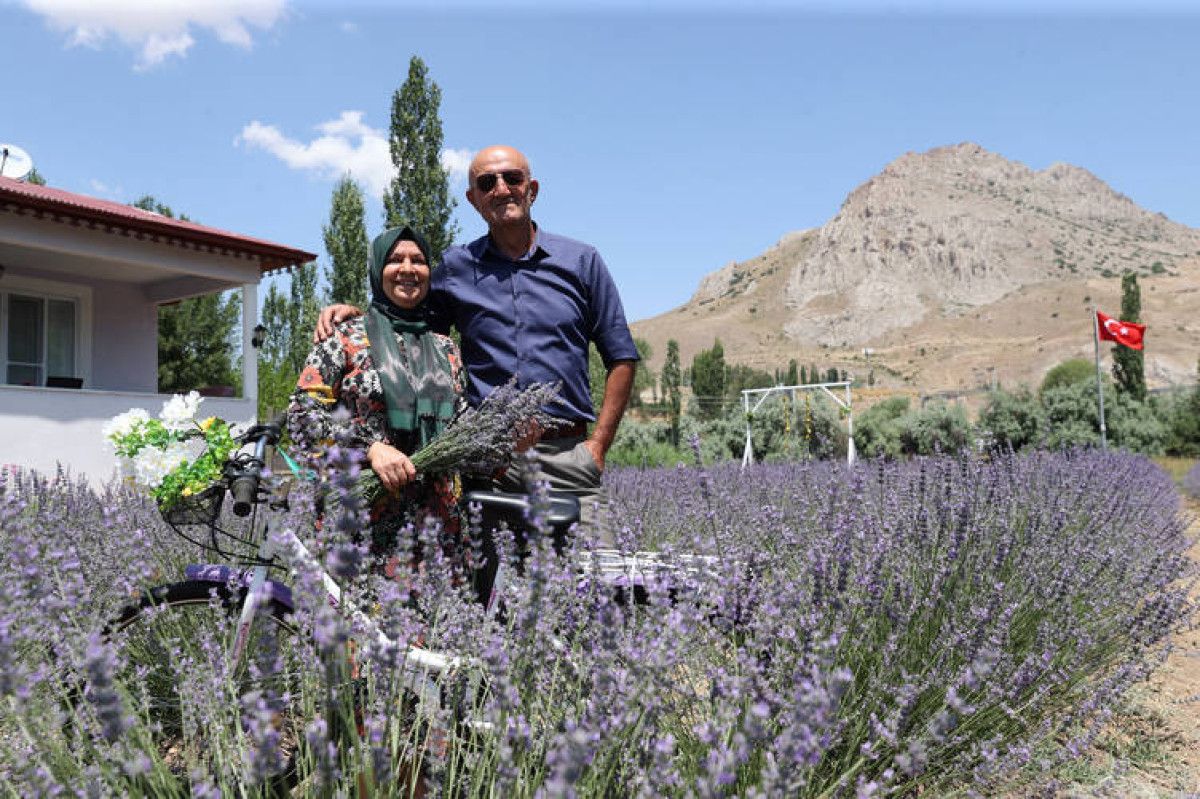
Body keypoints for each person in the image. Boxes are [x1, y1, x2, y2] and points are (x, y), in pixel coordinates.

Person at [316, 145, 639, 541]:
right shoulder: (456, 267)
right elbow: (407, 319)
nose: (501, 189)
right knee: (486, 593)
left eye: (512, 179)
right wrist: (357, 314)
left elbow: (621, 357)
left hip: (568, 457)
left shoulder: (581, 262)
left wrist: (598, 447)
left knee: (593, 588)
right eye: (487, 183)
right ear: (474, 200)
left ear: (531, 188)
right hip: (488, 464)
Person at [290, 225, 466, 560]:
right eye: (395, 259)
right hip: (359, 525)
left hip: (435, 530)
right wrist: (370, 449)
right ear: (376, 270)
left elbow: (461, 422)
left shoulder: (446, 349)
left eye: (418, 260)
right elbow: (302, 414)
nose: (408, 269)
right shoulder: (343, 339)